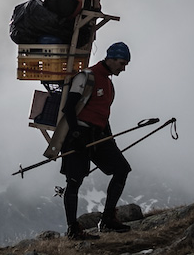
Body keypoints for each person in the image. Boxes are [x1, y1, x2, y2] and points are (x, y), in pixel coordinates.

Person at [59, 42, 133, 240]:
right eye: (121, 62)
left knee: (121, 169)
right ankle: (73, 229)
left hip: (99, 136)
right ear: (110, 58)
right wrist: (75, 135)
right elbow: (69, 108)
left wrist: (111, 141)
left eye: (125, 64)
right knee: (74, 181)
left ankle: (108, 219)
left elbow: (103, 115)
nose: (123, 67)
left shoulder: (109, 84)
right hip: (78, 135)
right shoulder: (86, 76)